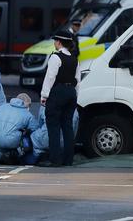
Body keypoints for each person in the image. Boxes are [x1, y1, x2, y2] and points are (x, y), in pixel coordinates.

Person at [40, 30, 79, 167]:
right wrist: (75, 94)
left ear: (59, 42)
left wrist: (44, 95)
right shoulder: (74, 58)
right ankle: (68, 160)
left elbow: (50, 77)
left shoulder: (56, 57)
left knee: (53, 126)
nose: (54, 43)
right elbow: (77, 79)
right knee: (67, 126)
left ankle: (55, 159)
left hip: (57, 93)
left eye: (55, 40)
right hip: (71, 93)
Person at [0, 93, 39, 165]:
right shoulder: (27, 114)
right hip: (12, 143)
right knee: (28, 135)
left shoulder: (0, 108)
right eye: (29, 106)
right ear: (26, 104)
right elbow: (35, 130)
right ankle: (15, 156)